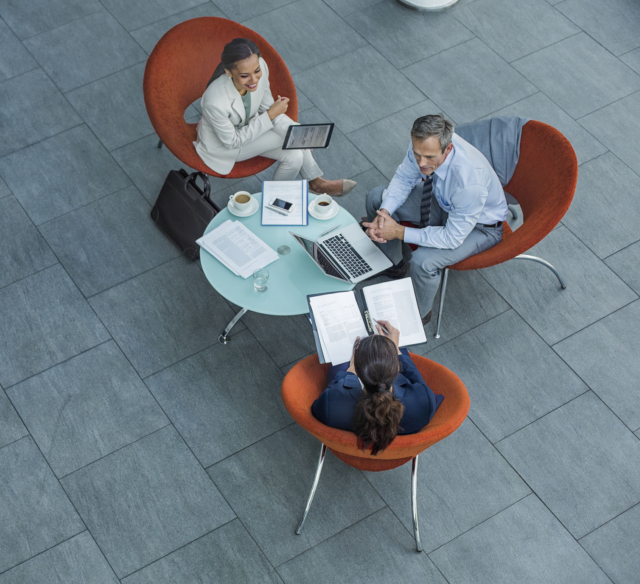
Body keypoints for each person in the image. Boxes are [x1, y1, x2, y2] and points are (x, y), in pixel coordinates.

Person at [363, 114, 507, 323]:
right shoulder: (423, 145)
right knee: (377, 198)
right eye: (417, 154)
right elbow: (404, 178)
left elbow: (452, 238)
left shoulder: (469, 182)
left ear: (448, 149)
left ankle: (419, 314)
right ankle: (393, 264)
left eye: (429, 157)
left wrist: (399, 232)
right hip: (444, 201)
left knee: (423, 261)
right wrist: (385, 212)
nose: (422, 163)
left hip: (480, 227)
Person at [194, 38, 355, 197]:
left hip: (249, 128)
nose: (254, 80)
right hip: (223, 146)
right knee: (292, 140)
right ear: (229, 72)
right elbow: (232, 141)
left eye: (256, 71)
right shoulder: (215, 101)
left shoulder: (261, 66)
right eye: (245, 76)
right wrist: (296, 133)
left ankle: (274, 202)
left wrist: (295, 130)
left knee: (295, 156)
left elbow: (267, 108)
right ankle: (317, 183)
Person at [311, 321, 442, 454]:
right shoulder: (424, 401)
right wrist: (395, 349)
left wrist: (350, 371)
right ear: (397, 369)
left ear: (359, 372)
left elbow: (317, 410)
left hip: (346, 451)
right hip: (398, 455)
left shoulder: (330, 404)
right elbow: (415, 377)